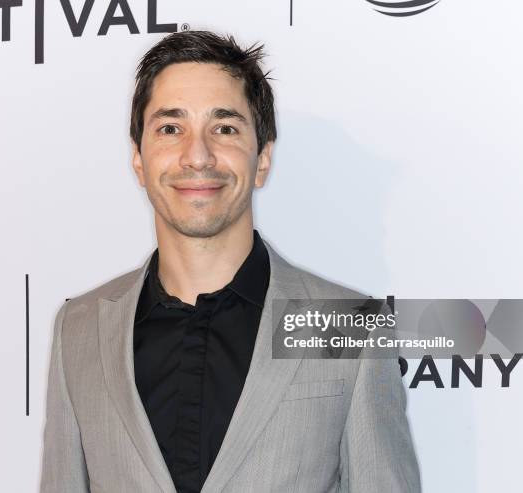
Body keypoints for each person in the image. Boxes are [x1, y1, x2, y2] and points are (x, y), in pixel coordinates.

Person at [40, 30, 421, 493]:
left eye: (224, 128)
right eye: (169, 128)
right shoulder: (79, 328)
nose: (197, 156)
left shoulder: (347, 325)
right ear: (138, 160)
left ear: (262, 159)